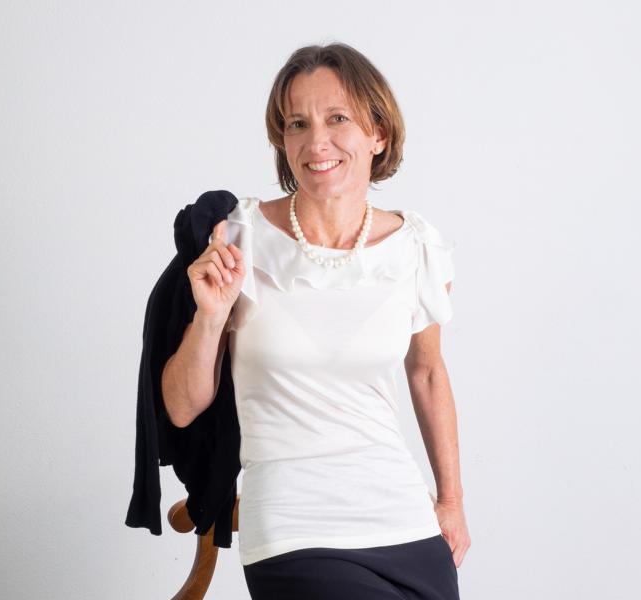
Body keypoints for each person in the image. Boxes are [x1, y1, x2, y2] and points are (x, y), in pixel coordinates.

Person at [162, 42, 469, 600]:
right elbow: (181, 408)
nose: (316, 142)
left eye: (338, 119)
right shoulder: (236, 237)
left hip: (404, 521)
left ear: (378, 134)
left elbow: (427, 373)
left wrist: (451, 501)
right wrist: (209, 317)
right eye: (297, 124)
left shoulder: (416, 248)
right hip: (294, 527)